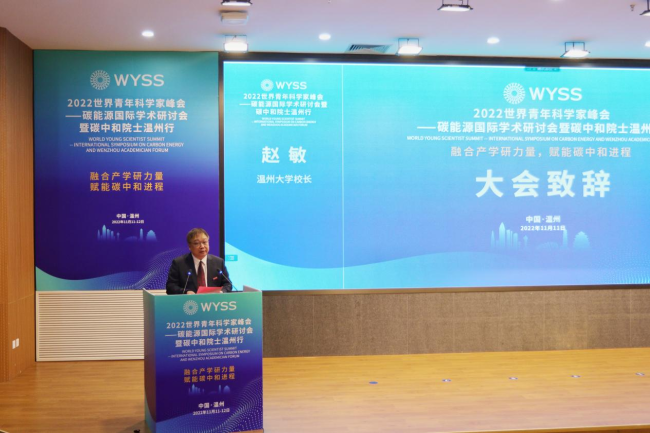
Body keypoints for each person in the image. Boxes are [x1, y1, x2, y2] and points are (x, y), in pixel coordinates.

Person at [166, 228, 232, 294]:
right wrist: (186, 292)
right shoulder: (179, 263)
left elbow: (228, 284)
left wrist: (222, 292)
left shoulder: (218, 262)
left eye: (204, 242)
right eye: (196, 243)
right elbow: (170, 287)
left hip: (213, 300)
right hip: (189, 300)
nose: (202, 246)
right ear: (189, 246)